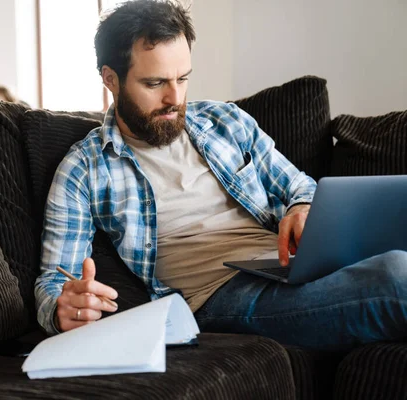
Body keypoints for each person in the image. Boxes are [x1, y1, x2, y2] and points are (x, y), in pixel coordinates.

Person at [34, 0, 407, 351]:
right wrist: (61, 308)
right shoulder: (84, 169)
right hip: (219, 297)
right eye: (155, 83)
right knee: (395, 276)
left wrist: (302, 206)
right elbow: (55, 280)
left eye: (183, 78)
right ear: (110, 79)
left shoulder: (226, 121)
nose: (174, 98)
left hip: (286, 270)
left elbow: (298, 186)